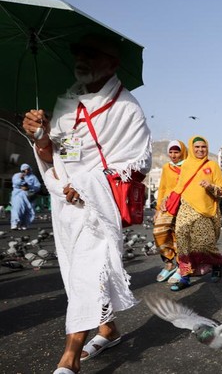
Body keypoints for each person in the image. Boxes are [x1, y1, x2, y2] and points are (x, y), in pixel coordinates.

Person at [22, 34, 151, 373]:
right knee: (78, 273)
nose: (82, 58)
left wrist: (91, 185)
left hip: (100, 206)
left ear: (112, 63)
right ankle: (108, 330)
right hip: (65, 207)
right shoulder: (65, 102)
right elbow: (55, 156)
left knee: (86, 274)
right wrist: (40, 136)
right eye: (78, 52)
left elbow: (138, 162)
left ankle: (71, 357)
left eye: (92, 53)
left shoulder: (127, 108)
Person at [170, 136, 222, 291]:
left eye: (203, 147)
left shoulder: (212, 165)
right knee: (183, 243)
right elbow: (180, 186)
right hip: (186, 209)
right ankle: (185, 277)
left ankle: (217, 263)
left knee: (204, 244)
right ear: (191, 148)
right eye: (197, 147)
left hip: (205, 210)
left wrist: (210, 186)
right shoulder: (186, 164)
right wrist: (167, 199)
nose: (200, 150)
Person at [153, 140, 187, 283]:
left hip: (183, 205)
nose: (173, 155)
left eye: (176, 152)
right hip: (167, 205)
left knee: (178, 235)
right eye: (171, 152)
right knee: (158, 232)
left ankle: (180, 267)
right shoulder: (167, 167)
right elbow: (162, 187)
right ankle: (168, 262)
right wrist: (158, 207)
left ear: (182, 152)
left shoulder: (188, 166)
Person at [10, 163, 42, 230]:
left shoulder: (33, 177)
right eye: (24, 170)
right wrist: (21, 179)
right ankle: (14, 223)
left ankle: (24, 224)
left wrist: (29, 187)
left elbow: (38, 186)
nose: (26, 171)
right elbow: (15, 183)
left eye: (28, 169)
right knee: (17, 209)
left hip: (29, 196)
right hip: (18, 195)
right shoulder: (17, 175)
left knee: (29, 210)